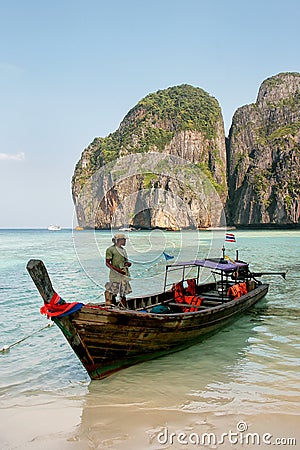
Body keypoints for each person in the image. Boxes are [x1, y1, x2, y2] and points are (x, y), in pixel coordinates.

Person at [104, 233, 132, 307]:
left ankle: (123, 308)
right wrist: (117, 270)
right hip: (115, 275)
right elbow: (107, 263)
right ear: (119, 240)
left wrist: (127, 264)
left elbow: (123, 261)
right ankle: (113, 306)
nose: (125, 241)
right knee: (113, 292)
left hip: (124, 274)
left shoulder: (123, 250)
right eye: (124, 240)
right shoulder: (110, 249)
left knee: (123, 293)